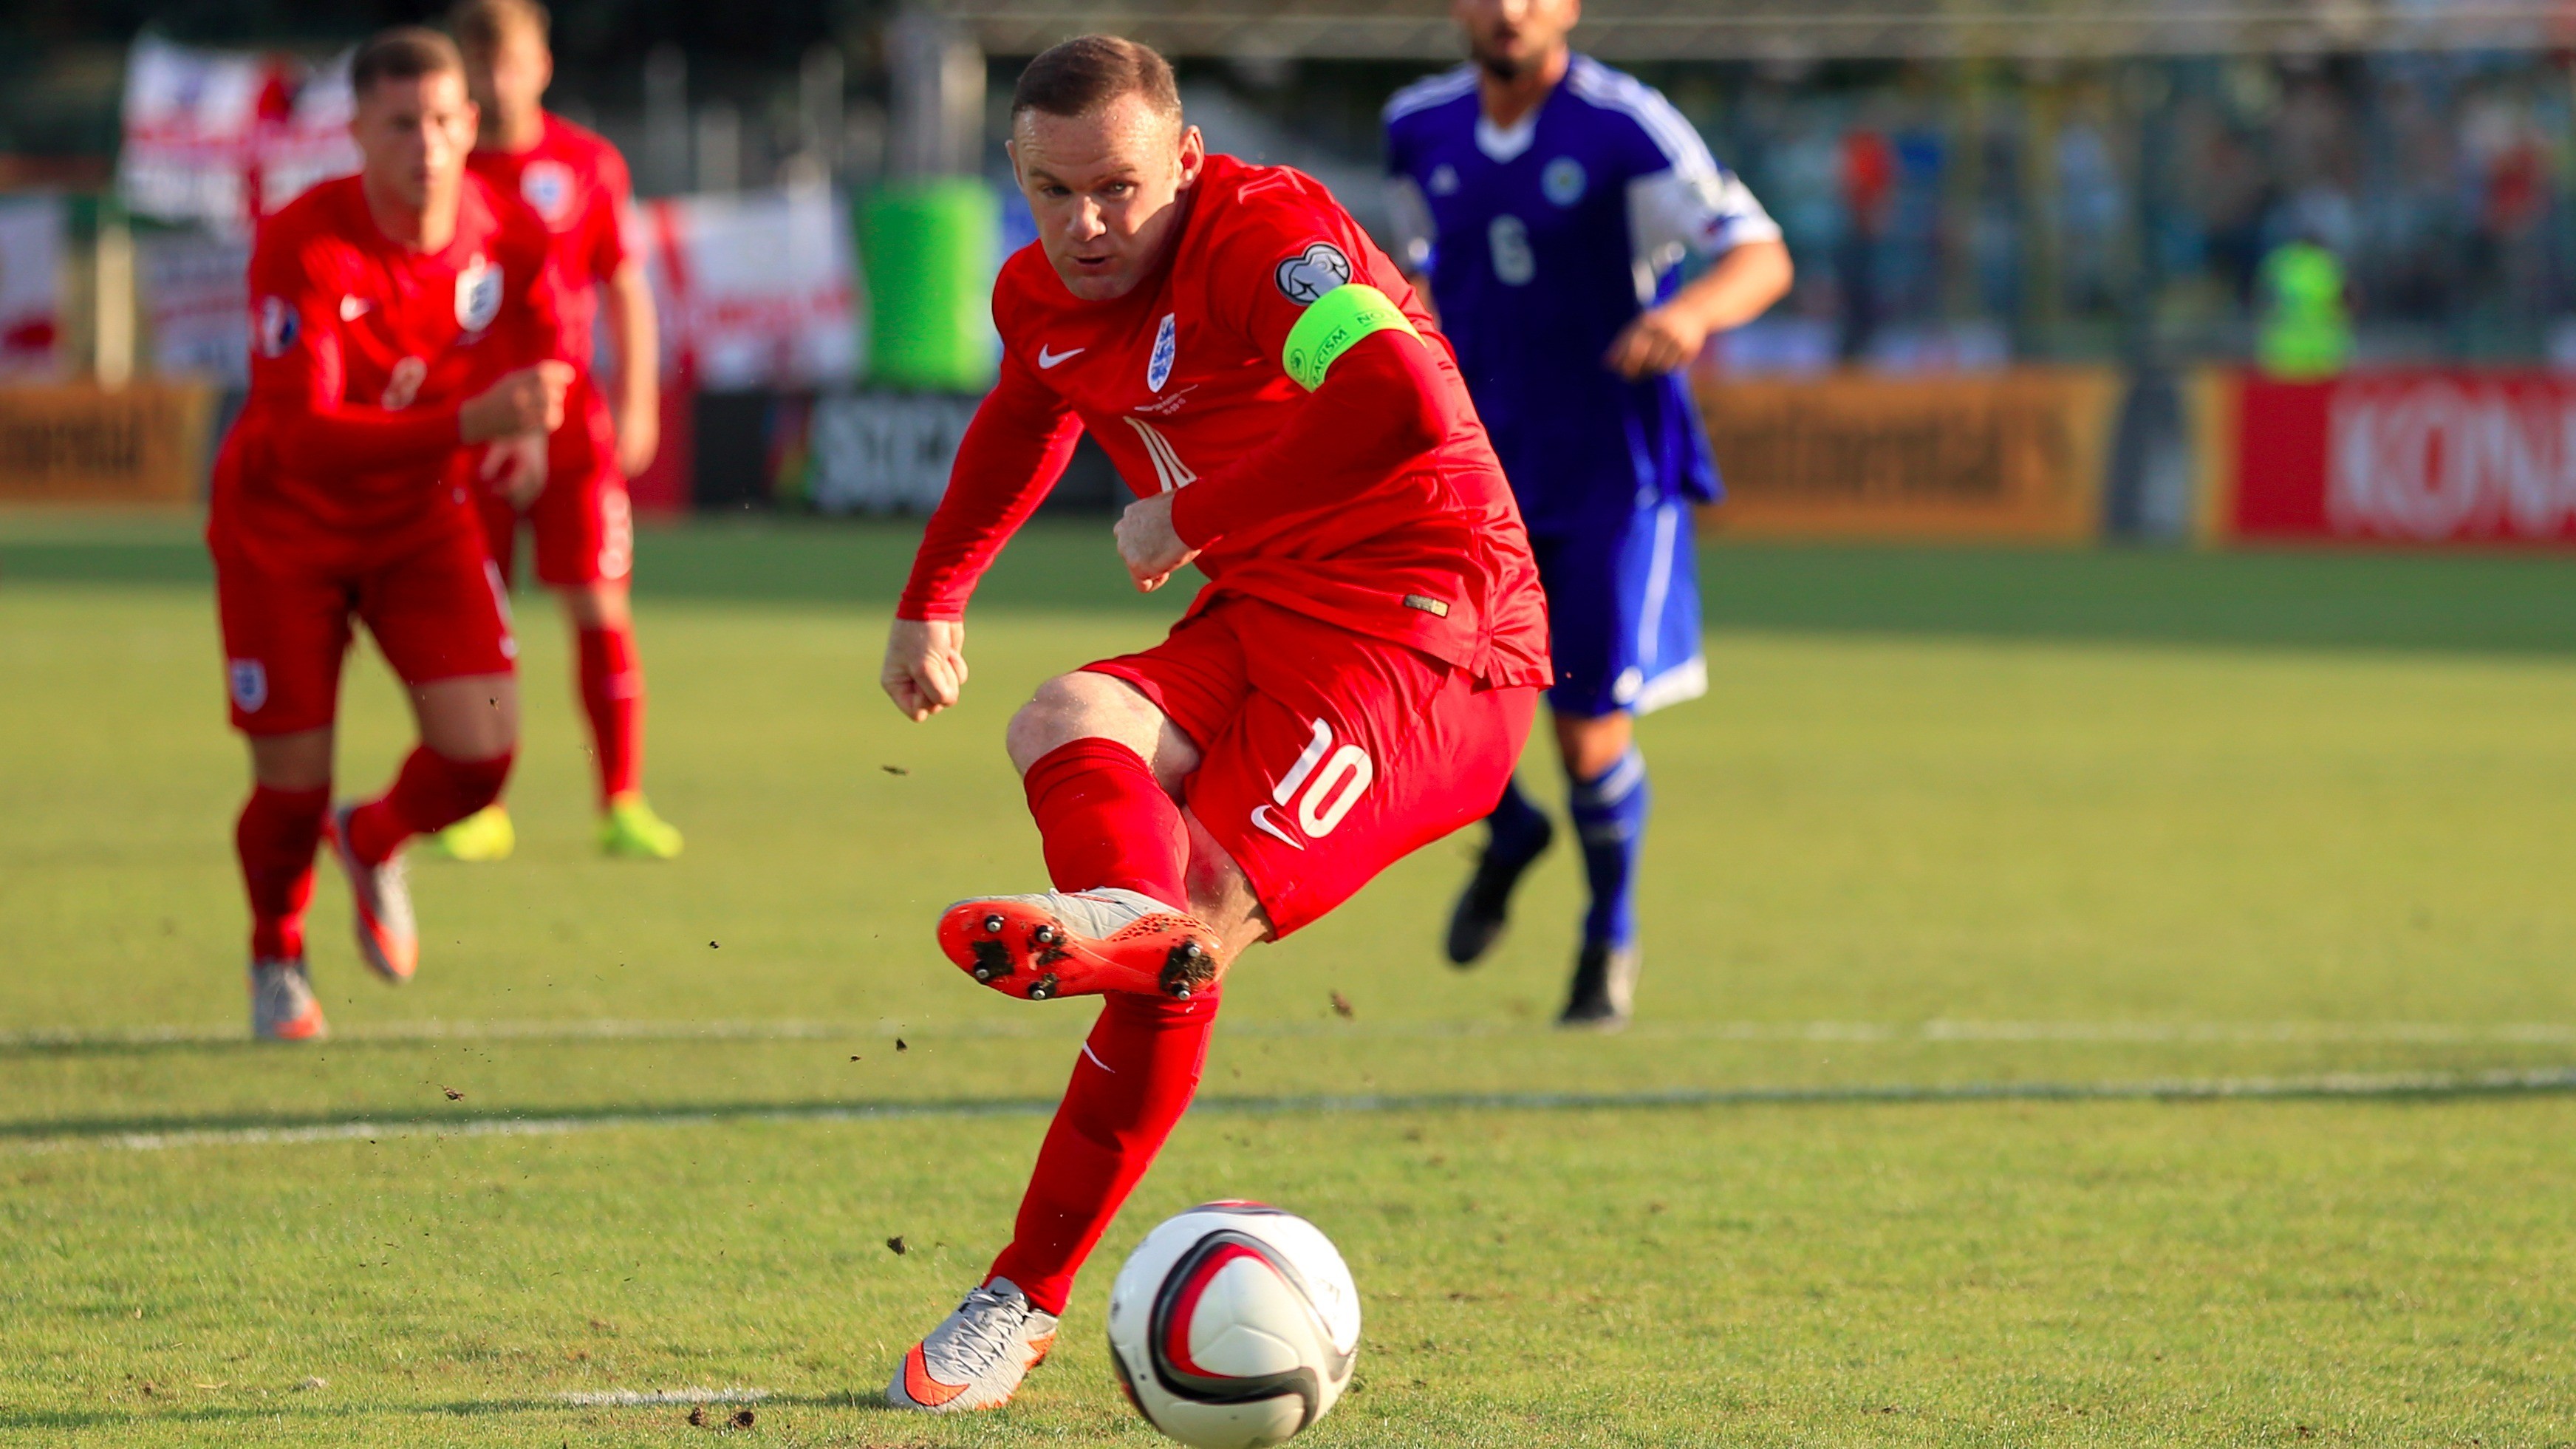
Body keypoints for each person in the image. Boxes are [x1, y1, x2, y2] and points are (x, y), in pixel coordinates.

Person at [875, 35, 1549, 1414]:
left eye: (1116, 188)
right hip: (1269, 607)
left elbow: (1402, 401)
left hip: (1430, 628)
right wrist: (932, 597)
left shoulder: (1260, 239)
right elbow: (1023, 417)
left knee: (1192, 934)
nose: (1086, 224)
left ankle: (1022, 1293)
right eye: (1052, 191)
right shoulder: (1041, 293)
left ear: (1184, 159)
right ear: (1015, 173)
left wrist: (1189, 512)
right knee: (1062, 717)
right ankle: (1124, 917)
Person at [1384, 0, 1792, 1028]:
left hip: (1609, 475)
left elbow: (1760, 253)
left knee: (1584, 733)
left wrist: (1688, 311)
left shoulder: (1623, 126)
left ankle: (1607, 937)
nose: (1509, 10)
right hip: (1475, 473)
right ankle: (1512, 832)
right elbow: (1423, 269)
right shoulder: (1417, 126)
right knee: (1422, 704)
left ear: (1566, 7)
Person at [212, 27, 572, 1041]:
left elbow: (552, 321)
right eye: (402, 124)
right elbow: (301, 434)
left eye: (445, 121)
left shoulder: (503, 228)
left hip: (420, 520)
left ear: (472, 122)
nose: (428, 144)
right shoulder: (305, 242)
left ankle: (372, 836)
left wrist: (533, 424)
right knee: (290, 787)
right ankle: (277, 954)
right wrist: (472, 421)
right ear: (358, 131)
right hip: (283, 532)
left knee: (483, 754)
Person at [438, 0, 681, 862]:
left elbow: (625, 284)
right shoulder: (442, 165)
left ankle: (621, 801)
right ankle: (481, 803)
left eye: (509, 62)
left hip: (574, 428)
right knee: (475, 618)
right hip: (469, 427)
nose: (495, 80)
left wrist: (639, 399)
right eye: (479, 63)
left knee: (598, 605)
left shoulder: (586, 163)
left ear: (540, 65)